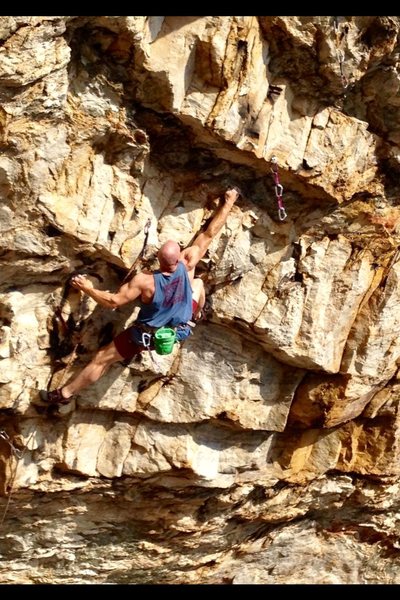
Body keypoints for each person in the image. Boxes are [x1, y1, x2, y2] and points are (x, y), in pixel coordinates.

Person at [39, 186, 240, 406]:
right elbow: (209, 233)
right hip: (180, 329)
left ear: (159, 260)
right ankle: (198, 312)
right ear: (179, 257)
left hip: (148, 336)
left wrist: (88, 287)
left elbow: (113, 301)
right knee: (198, 283)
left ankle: (65, 394)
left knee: (101, 360)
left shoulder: (145, 282)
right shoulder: (188, 263)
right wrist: (229, 202)